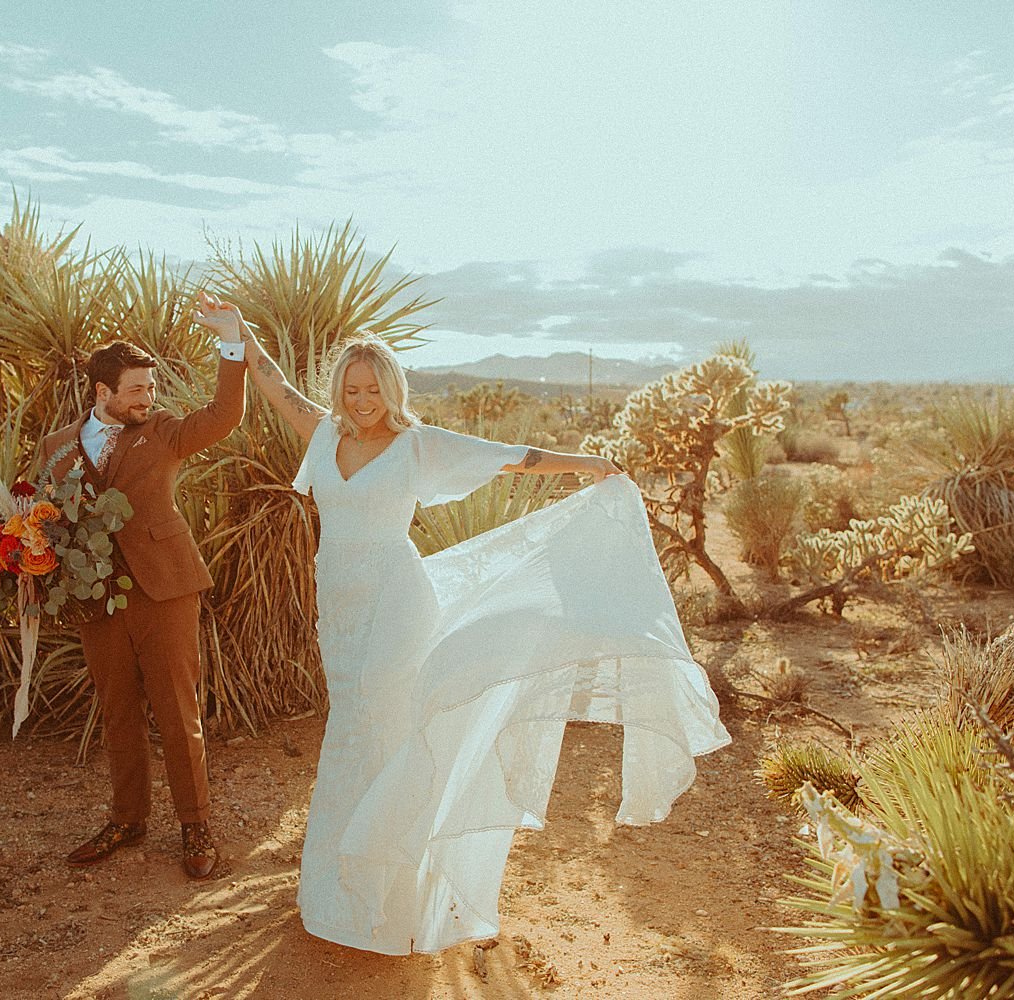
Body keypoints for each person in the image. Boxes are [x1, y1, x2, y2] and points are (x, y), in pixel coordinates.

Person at [193, 292, 730, 953]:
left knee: (379, 728)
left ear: (391, 388)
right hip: (339, 605)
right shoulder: (325, 433)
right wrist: (237, 332)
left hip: (397, 600)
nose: (362, 399)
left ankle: (391, 891)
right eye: (352, 387)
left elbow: (511, 456)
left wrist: (585, 465)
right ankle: (340, 883)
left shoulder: (418, 446)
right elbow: (275, 388)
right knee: (353, 729)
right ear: (341, 389)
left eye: (372, 388)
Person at [36, 329, 247, 879]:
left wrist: (230, 348)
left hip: (166, 589)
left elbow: (223, 415)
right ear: (102, 391)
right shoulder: (56, 445)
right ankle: (128, 819)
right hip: (95, 599)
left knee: (179, 713)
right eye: (135, 390)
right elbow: (45, 511)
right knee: (118, 713)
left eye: (150, 388)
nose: (147, 398)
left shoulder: (164, 432)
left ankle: (195, 824)